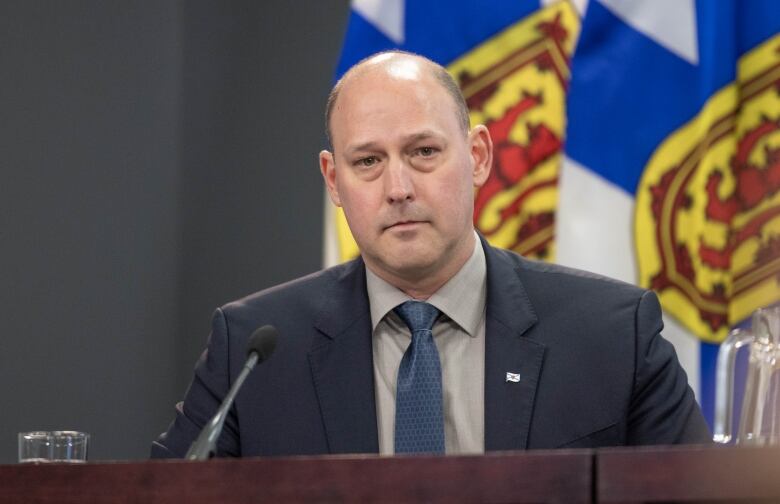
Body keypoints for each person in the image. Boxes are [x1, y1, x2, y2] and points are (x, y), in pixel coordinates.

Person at [151, 51, 710, 458]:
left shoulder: (613, 335)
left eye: (423, 152)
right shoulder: (255, 348)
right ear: (333, 181)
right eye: (367, 161)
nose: (398, 187)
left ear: (478, 157)